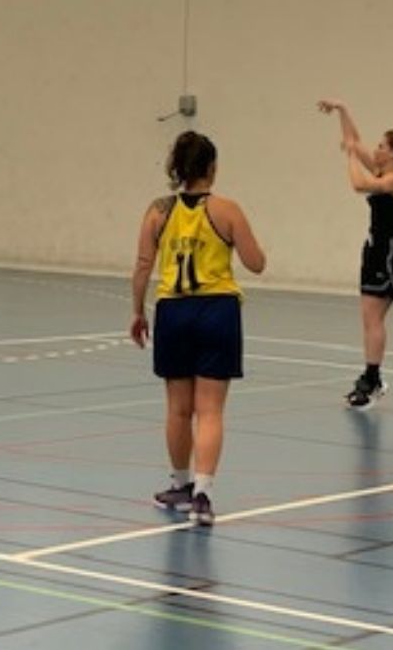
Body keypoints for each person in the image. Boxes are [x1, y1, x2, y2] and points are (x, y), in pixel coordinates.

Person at [130, 131, 265, 525]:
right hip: (217, 311)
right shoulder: (227, 210)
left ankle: (181, 483)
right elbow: (256, 263)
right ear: (212, 167)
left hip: (173, 311)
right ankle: (203, 496)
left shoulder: (158, 211)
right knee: (210, 411)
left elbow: (142, 266)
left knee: (178, 409)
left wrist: (138, 311)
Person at [318, 100, 393, 409]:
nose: (374, 149)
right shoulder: (380, 172)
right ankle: (372, 376)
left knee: (373, 318)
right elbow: (353, 142)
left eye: (381, 146)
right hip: (375, 250)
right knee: (368, 318)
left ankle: (372, 378)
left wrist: (349, 157)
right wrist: (342, 110)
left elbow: (359, 185)